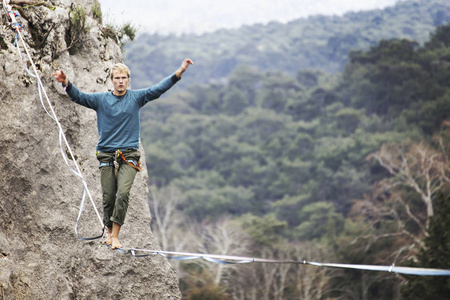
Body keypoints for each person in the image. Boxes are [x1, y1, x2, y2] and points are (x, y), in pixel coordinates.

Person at [53, 58, 193, 249]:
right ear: (112, 80)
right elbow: (80, 97)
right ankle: (109, 234)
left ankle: (116, 235)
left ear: (128, 80)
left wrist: (180, 71)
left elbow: (159, 88)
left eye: (124, 78)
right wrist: (66, 83)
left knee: (123, 194)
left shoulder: (136, 98)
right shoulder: (101, 100)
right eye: (117, 78)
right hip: (106, 154)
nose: (120, 81)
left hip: (129, 154)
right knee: (108, 196)